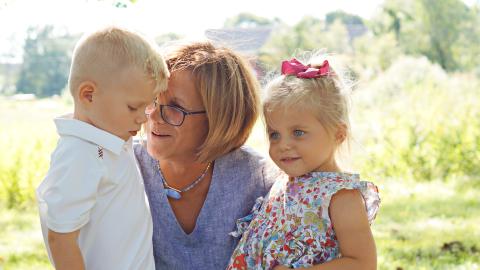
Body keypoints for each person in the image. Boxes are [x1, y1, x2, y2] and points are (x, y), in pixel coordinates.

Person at [227, 55, 381, 270]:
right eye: (274, 134)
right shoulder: (285, 180)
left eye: (298, 133)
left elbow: (362, 263)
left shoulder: (341, 196)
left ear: (338, 134)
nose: (283, 145)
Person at [134, 42, 279, 269]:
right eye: (152, 99)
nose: (153, 116)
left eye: (175, 106)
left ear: (220, 117)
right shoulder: (123, 164)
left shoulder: (261, 180)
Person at [36, 26, 169, 270]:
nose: (143, 118)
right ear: (88, 95)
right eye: (132, 107)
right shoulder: (81, 153)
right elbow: (61, 236)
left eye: (147, 107)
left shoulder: (110, 137)